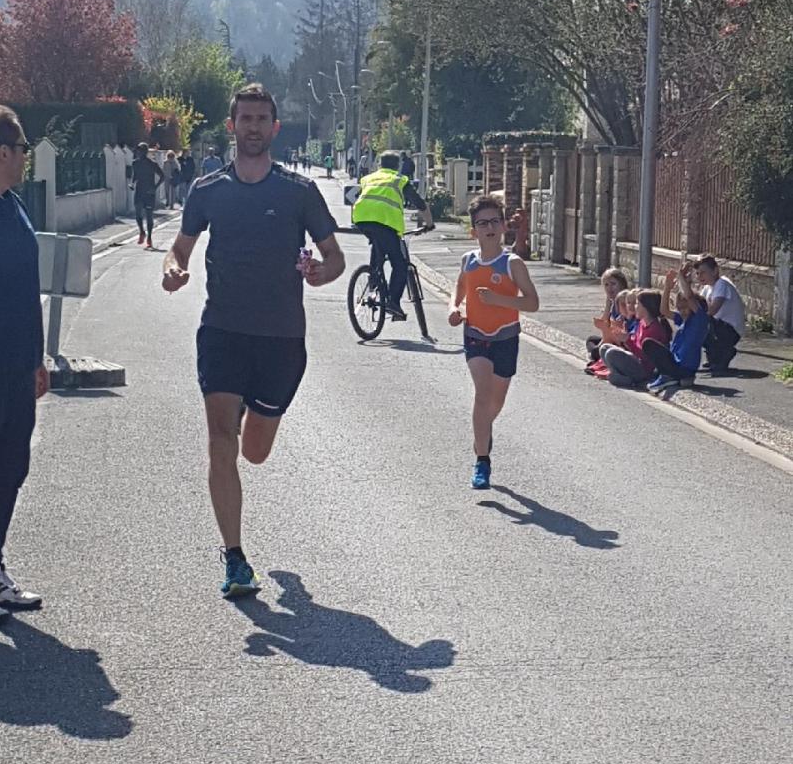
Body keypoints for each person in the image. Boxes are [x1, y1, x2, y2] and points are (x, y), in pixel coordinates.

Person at [161, 84, 345, 598]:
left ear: (275, 128)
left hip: (281, 339)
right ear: (232, 125)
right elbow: (178, 248)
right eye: (246, 118)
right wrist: (174, 269)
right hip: (221, 332)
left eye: (263, 119)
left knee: (255, 451)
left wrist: (318, 274)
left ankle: (254, 418)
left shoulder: (298, 193)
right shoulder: (208, 189)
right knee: (221, 441)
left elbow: (335, 258)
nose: (254, 127)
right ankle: (235, 558)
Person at [0, 104, 47, 623]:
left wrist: (36, 359)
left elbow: (29, 291)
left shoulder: (12, 205)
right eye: (22, 147)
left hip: (13, 367)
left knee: (10, 466)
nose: (26, 156)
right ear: (1, 152)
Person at [447, 195, 540, 489]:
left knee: (495, 402)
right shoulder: (469, 261)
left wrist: (498, 299)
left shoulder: (512, 263)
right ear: (474, 230)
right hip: (475, 335)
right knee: (482, 393)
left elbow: (533, 303)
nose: (489, 227)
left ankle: (481, 437)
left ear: (502, 226)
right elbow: (459, 290)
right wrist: (454, 308)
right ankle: (482, 462)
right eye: (482, 223)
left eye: (494, 221)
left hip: (506, 337)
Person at [351, 150, 433, 319]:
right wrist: (429, 224)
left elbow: (359, 197)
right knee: (400, 265)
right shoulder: (399, 180)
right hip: (386, 223)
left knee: (378, 246)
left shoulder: (369, 178)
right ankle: (393, 303)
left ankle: (374, 280)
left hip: (361, 219)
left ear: (379, 164)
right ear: (398, 165)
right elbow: (419, 203)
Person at [643, 266, 710, 392]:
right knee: (650, 347)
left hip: (684, 367)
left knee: (648, 344)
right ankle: (667, 376)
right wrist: (667, 287)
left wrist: (681, 277)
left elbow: (690, 297)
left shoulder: (699, 320)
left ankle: (670, 377)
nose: (682, 311)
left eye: (685, 308)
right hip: (675, 363)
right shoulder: (683, 320)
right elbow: (664, 311)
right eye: (680, 308)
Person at [598, 290, 671, 388]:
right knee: (604, 348)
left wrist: (627, 340)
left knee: (611, 353)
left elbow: (645, 355)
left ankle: (633, 380)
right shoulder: (642, 323)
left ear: (646, 308)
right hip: (636, 360)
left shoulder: (654, 329)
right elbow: (635, 344)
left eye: (637, 304)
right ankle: (620, 375)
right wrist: (624, 338)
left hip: (645, 368)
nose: (634, 307)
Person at [693, 254, 746, 373]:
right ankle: (715, 356)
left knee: (700, 322)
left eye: (703, 272)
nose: (699, 276)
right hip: (720, 328)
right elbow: (696, 306)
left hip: (731, 331)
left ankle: (725, 352)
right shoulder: (708, 288)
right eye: (697, 273)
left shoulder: (722, 284)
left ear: (715, 270)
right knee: (695, 321)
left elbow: (712, 311)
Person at [586, 268, 628, 365]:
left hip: (620, 341)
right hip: (610, 338)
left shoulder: (624, 301)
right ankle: (597, 354)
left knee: (596, 350)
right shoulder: (612, 302)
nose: (610, 288)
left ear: (622, 285)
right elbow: (604, 323)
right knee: (591, 340)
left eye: (613, 284)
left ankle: (597, 355)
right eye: (606, 285)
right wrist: (608, 305)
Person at [131, 142, 164, 249]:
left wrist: (154, 187)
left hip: (149, 192)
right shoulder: (135, 163)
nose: (139, 152)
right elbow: (135, 176)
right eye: (138, 150)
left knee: (149, 215)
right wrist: (132, 184)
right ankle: (142, 232)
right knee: (138, 213)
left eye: (141, 150)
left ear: (145, 152)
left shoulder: (152, 164)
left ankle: (149, 237)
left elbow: (162, 176)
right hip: (139, 190)